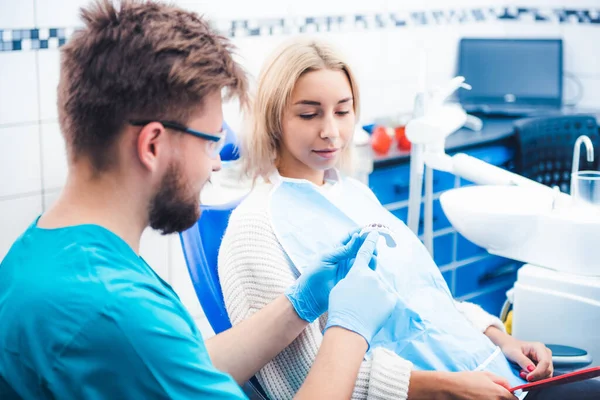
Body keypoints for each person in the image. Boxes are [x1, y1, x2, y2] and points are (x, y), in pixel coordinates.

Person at [0, 1, 399, 399]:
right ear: (152, 145)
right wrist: (348, 331)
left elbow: (183, 362)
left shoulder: (39, 253)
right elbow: (148, 350)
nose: (214, 167)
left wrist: (299, 305)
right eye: (212, 143)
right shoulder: (114, 311)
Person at [218, 37, 600, 400]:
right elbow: (300, 383)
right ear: (274, 117)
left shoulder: (354, 195)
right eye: (308, 113)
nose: (330, 131)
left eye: (343, 111)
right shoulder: (256, 228)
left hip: (494, 373)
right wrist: (444, 387)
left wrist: (501, 339)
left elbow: (426, 298)